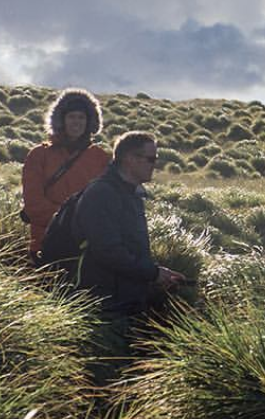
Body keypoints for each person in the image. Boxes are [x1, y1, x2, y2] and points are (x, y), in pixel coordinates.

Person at [72, 131, 186, 315]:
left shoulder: (132, 194)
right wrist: (153, 274)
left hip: (126, 298)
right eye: (150, 159)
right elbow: (108, 251)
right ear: (129, 159)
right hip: (104, 303)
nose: (154, 165)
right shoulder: (101, 194)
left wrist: (158, 273)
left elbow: (131, 248)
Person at [22, 88, 110, 263]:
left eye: (81, 117)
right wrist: (73, 225)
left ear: (90, 122)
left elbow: (108, 205)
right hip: (45, 245)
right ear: (61, 120)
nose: (76, 122)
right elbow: (34, 205)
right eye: (71, 116)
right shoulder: (39, 155)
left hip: (87, 250)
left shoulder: (101, 158)